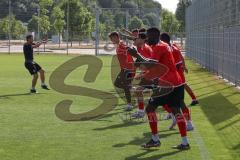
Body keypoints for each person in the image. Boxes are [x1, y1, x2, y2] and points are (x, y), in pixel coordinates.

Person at [128, 28, 190, 150]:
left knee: (150, 108)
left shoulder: (159, 47)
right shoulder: (164, 45)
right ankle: (185, 142)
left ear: (156, 36)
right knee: (176, 110)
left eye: (148, 37)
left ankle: (155, 140)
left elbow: (151, 64)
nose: (147, 39)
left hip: (166, 84)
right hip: (176, 82)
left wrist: (136, 55)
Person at [160, 33, 194, 131]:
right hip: (176, 79)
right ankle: (179, 119)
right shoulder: (173, 47)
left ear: (164, 41)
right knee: (171, 101)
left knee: (179, 103)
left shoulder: (168, 49)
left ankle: (187, 123)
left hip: (175, 80)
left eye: (160, 40)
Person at [108, 32, 135, 111]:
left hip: (128, 69)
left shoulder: (122, 45)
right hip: (124, 69)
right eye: (111, 39)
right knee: (117, 83)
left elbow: (130, 51)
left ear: (117, 37)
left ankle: (129, 104)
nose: (112, 40)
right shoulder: (118, 45)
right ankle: (131, 89)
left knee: (124, 86)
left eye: (112, 38)